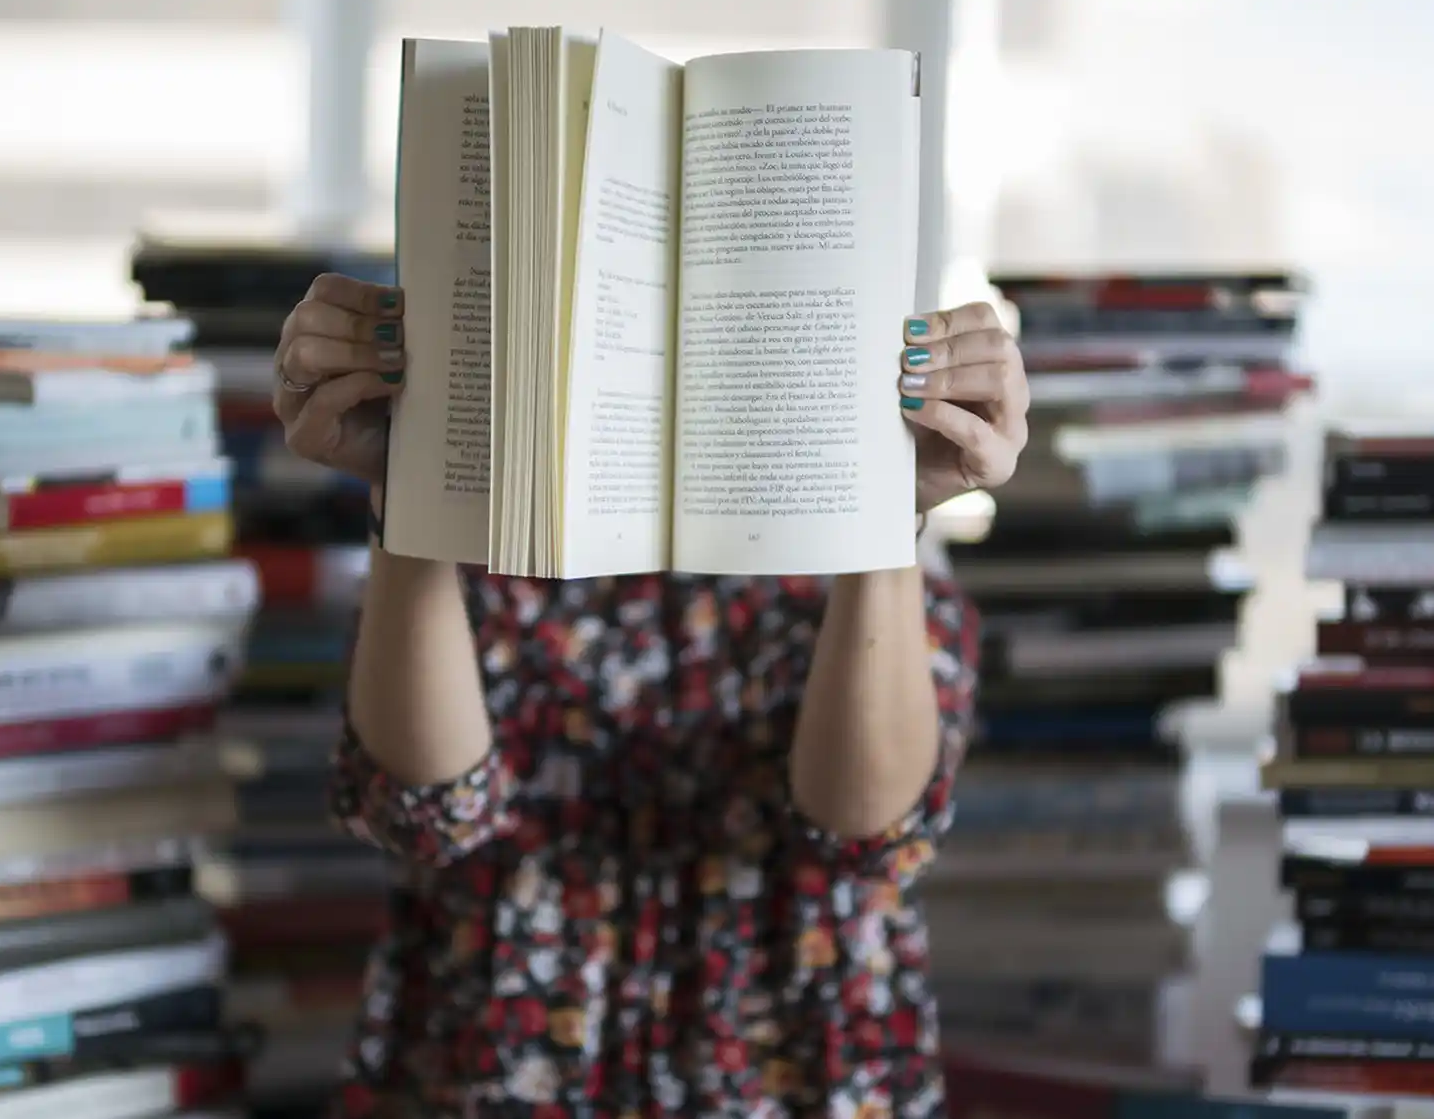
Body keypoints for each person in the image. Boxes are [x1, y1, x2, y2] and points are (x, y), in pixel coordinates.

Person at [272, 273, 1030, 1118]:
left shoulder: (856, 547)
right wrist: (404, 478)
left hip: (793, 1078)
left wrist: (888, 507)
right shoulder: (487, 513)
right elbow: (426, 812)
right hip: (489, 1074)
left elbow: (867, 835)